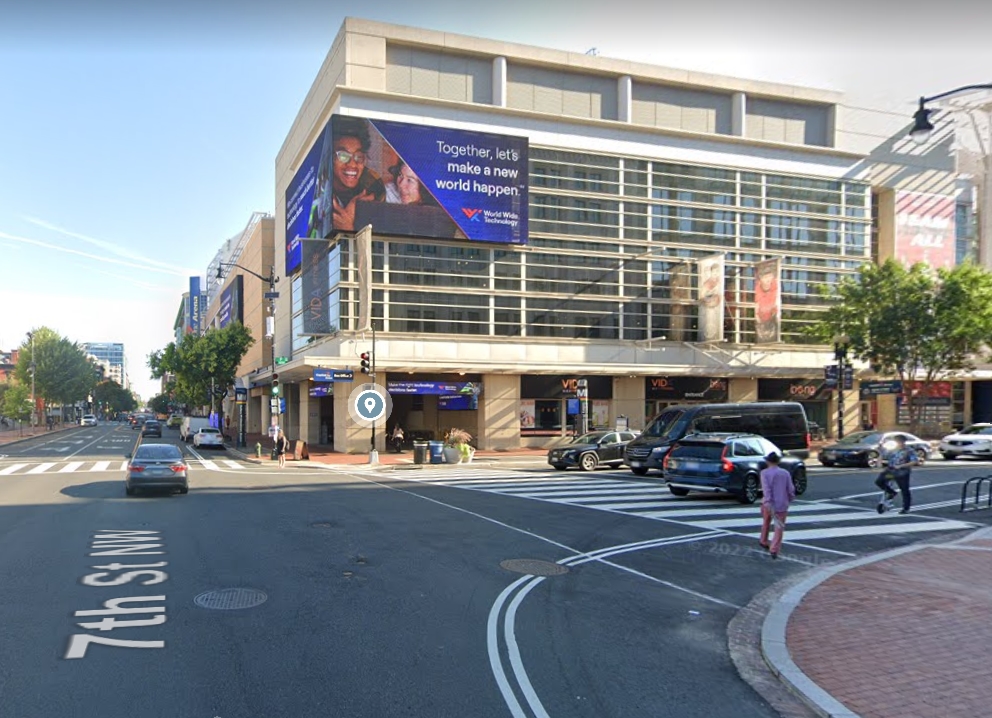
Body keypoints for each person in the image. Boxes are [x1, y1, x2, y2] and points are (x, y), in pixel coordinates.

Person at [330, 117, 385, 232]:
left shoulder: (374, 185)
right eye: (343, 156)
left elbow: (377, 240)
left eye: (359, 156)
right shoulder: (321, 187)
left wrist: (348, 227)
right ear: (330, 158)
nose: (352, 164)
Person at [759, 452, 796, 559]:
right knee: (779, 527)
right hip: (781, 504)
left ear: (768, 461)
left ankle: (763, 540)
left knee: (766, 522)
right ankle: (774, 549)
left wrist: (767, 501)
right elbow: (790, 489)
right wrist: (789, 498)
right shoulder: (785, 473)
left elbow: (766, 489)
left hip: (767, 503)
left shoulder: (764, 473)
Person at [874, 434, 921, 514]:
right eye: (896, 441)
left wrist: (901, 466)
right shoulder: (892, 449)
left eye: (899, 441)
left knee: (904, 490)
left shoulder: (909, 450)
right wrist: (880, 458)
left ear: (903, 442)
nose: (898, 443)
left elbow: (914, 461)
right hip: (891, 472)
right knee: (879, 481)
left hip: (902, 473)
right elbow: (883, 455)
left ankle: (906, 508)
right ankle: (891, 492)